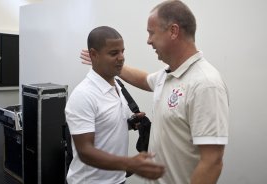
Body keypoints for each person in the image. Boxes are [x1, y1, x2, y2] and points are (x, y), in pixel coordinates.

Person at [81, 1, 229, 184]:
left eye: (151, 33)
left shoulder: (205, 84)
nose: (148, 40)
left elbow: (212, 162)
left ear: (173, 31)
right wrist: (110, 62)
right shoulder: (169, 75)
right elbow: (144, 79)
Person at [65, 26, 165, 184]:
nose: (121, 58)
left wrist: (131, 123)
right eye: (113, 53)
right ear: (93, 55)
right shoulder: (83, 95)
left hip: (117, 180)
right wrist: (130, 163)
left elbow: (105, 125)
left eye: (122, 51)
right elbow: (85, 151)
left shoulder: (117, 86)